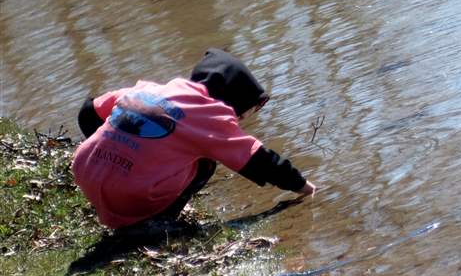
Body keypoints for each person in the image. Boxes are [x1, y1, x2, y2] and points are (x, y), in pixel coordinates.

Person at [72, 48, 316, 229]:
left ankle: (115, 198)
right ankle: (160, 221)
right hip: (131, 197)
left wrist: (112, 152)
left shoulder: (148, 90)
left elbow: (87, 111)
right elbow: (258, 160)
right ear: (233, 100)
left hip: (85, 173)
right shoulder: (211, 115)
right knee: (205, 162)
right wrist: (303, 187)